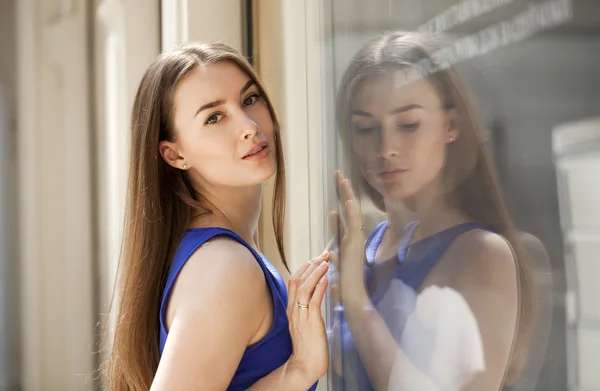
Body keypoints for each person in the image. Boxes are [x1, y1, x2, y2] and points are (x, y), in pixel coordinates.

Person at [101, 41, 330, 391]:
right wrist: (298, 370)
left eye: (250, 99)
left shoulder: (217, 255)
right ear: (175, 155)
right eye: (214, 117)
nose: (249, 125)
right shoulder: (223, 266)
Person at [328, 31, 538, 391]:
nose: (386, 147)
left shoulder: (482, 254)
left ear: (450, 125)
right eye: (365, 128)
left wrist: (358, 303)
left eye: (408, 124)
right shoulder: (359, 249)